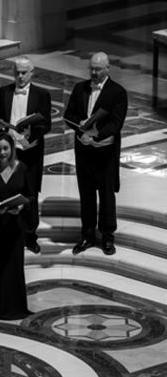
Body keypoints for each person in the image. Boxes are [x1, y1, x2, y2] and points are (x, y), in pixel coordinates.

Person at [64, 52, 128, 256]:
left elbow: (116, 123)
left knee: (107, 196)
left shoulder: (117, 92)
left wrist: (96, 135)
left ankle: (108, 237)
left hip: (106, 153)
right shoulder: (79, 88)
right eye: (91, 68)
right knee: (87, 194)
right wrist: (80, 128)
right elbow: (69, 115)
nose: (93, 72)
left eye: (98, 69)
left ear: (108, 69)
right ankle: (87, 235)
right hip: (84, 151)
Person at [0, 57, 52, 254]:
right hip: (9, 154)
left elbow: (46, 124)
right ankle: (10, 232)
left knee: (30, 194)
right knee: (7, 192)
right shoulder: (4, 92)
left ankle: (31, 236)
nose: (20, 76)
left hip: (30, 151)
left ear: (32, 72)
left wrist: (31, 134)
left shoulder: (42, 94)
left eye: (24, 72)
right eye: (17, 72)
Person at [0, 133, 34, 320]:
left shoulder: (22, 168)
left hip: (15, 224)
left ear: (12, 149)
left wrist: (20, 205)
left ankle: (14, 307)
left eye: (5, 148)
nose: (2, 152)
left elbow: (31, 196)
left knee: (13, 264)